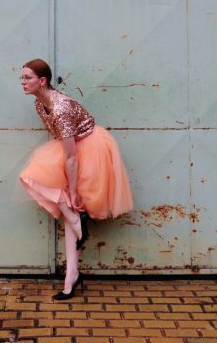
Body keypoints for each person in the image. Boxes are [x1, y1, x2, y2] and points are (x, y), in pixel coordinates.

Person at [18, 58, 133, 300]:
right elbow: (64, 144)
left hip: (90, 149)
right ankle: (72, 273)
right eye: (22, 77)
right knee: (58, 200)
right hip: (71, 148)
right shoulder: (40, 104)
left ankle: (76, 227)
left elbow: (71, 157)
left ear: (42, 81)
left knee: (56, 191)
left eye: (27, 77)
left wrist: (71, 189)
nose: (23, 82)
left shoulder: (60, 109)